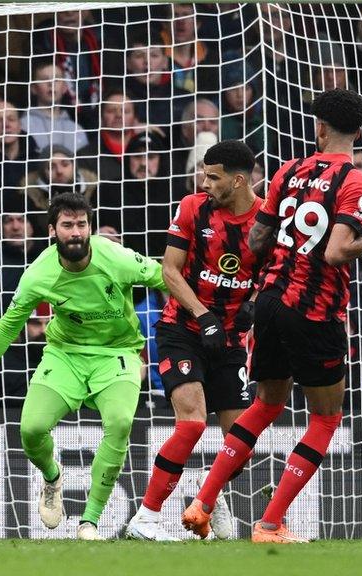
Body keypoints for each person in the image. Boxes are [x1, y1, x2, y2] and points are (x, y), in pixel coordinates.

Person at [182, 89, 362, 543]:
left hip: (268, 302)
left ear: (320, 128)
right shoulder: (357, 183)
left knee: (266, 405)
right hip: (315, 311)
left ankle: (202, 502)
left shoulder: (288, 170)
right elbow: (335, 252)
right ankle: (269, 524)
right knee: (325, 419)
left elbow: (254, 242)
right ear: (358, 131)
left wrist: (286, 256)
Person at [0, 192, 166, 540]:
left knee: (121, 422)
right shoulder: (39, 274)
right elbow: (7, 325)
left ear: (90, 227)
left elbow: (166, 277)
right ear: (52, 230)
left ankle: (90, 521)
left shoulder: (117, 257)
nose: (76, 232)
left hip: (118, 352)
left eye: (82, 224)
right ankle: (52, 478)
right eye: (67, 225)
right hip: (65, 354)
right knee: (31, 430)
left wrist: (206, 314)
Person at [125, 140, 261, 541]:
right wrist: (204, 317)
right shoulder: (191, 207)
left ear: (238, 180)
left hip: (231, 340)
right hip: (181, 330)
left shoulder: (265, 221)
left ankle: (208, 498)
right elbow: (170, 271)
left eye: (213, 176)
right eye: (204, 173)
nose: (204, 182)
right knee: (192, 424)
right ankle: (145, 518)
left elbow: (274, 271)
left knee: (241, 445)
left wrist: (253, 302)